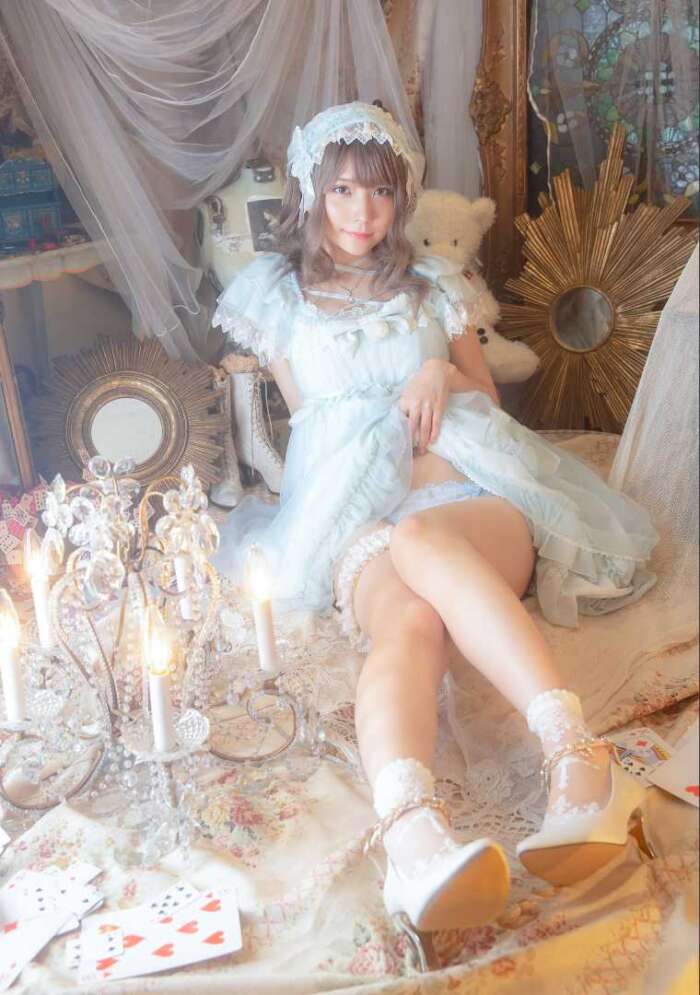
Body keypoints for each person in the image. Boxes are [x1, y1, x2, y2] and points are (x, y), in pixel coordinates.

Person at [213, 102, 658, 935]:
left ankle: (578, 758)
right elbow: (313, 429)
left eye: (381, 192)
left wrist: (435, 376)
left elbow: (486, 396)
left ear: (402, 197)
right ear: (313, 192)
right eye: (343, 190)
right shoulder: (276, 298)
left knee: (423, 537)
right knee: (408, 622)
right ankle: (413, 842)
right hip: (357, 515)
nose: (363, 211)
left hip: (470, 493)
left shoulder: (432, 283)